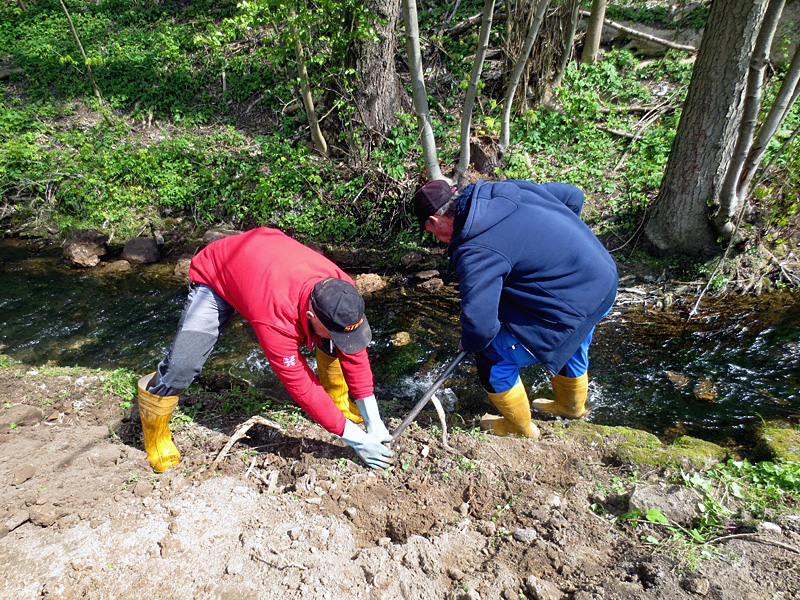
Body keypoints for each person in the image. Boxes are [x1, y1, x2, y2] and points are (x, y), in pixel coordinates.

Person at [136, 227, 394, 472]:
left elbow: (354, 352)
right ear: (309, 315)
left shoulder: (341, 289)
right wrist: (355, 439)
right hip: (219, 271)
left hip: (267, 260)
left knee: (337, 339)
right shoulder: (274, 317)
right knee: (184, 364)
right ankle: (155, 430)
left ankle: (339, 402)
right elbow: (301, 387)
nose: (344, 339)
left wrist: (374, 421)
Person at [413, 179, 618, 438]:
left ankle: (520, 430)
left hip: (571, 306)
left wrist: (470, 342)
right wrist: (560, 252)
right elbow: (573, 195)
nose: (438, 240)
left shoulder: (476, 249)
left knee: (490, 355)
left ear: (435, 221)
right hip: (601, 281)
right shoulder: (506, 190)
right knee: (574, 339)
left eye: (431, 232)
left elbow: (480, 327)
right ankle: (572, 408)